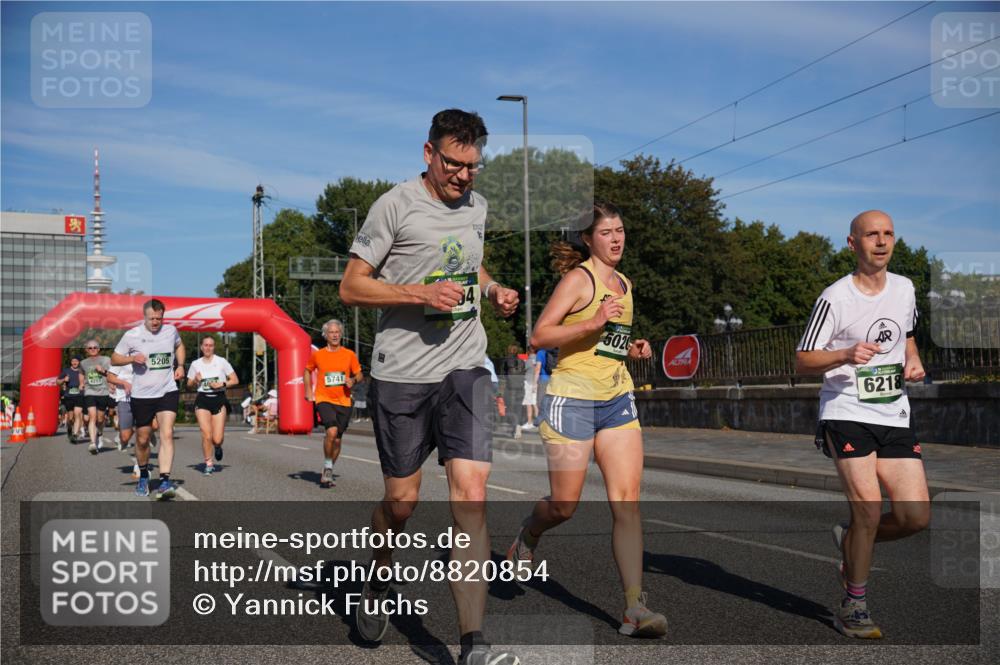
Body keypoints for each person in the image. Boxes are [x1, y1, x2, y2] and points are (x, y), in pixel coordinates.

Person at [339, 109, 520, 665]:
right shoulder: (394, 206)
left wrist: (490, 291)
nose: (464, 176)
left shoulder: (478, 207)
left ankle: (473, 643)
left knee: (470, 492)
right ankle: (375, 577)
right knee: (401, 503)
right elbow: (352, 287)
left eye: (473, 166)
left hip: (464, 365)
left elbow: (471, 264)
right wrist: (419, 294)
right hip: (402, 372)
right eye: (453, 163)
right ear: (427, 153)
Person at [506, 201, 667, 638]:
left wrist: (631, 347)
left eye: (620, 231)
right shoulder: (579, 280)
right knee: (565, 504)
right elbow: (540, 335)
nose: (616, 239)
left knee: (627, 502)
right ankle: (529, 534)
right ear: (587, 239)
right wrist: (594, 318)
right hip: (571, 400)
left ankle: (634, 606)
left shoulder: (626, 283)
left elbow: (609, 341)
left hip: (616, 398)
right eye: (606, 232)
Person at [795, 210, 928, 639]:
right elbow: (802, 360)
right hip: (846, 410)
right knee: (869, 510)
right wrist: (844, 354)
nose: (882, 241)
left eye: (888, 233)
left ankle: (852, 545)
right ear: (853, 244)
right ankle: (853, 605)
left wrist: (913, 359)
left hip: (893, 412)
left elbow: (907, 332)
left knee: (914, 516)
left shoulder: (905, 288)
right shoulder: (836, 298)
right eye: (871, 234)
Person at [111, 298, 185, 499]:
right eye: (151, 318)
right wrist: (131, 358)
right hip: (142, 394)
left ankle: (164, 481)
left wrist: (180, 365)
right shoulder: (131, 335)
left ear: (163, 316)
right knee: (142, 439)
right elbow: (114, 358)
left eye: (158, 318)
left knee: (166, 434)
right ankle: (144, 475)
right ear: (144, 316)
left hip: (167, 390)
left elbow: (179, 346)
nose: (155, 322)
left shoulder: (170, 331)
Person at [304, 319, 363, 488]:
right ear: (325, 335)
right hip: (324, 398)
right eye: (331, 332)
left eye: (337, 332)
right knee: (331, 431)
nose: (335, 335)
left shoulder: (349, 354)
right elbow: (307, 371)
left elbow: (359, 374)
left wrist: (352, 380)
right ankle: (328, 467)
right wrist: (308, 391)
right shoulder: (318, 354)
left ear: (341, 334)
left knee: (337, 439)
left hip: (344, 400)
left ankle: (328, 467)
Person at [187, 336, 238, 475]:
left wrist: (222, 384)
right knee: (206, 434)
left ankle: (218, 446)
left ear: (214, 347)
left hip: (219, 399)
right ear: (201, 347)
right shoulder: (195, 364)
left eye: (211, 345)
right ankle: (208, 463)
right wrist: (195, 381)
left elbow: (235, 379)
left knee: (217, 438)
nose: (208, 348)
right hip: (202, 399)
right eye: (206, 345)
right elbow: (189, 385)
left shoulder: (221, 362)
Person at [106, 363, 140, 478]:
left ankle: (139, 466)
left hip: (143, 398)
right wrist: (120, 383)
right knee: (125, 436)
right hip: (124, 399)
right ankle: (123, 439)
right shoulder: (120, 356)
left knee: (142, 434)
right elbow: (110, 376)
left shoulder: (145, 353)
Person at [80, 340, 113, 454]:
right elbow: (81, 373)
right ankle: (93, 443)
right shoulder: (84, 363)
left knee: (100, 418)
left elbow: (113, 374)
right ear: (86, 350)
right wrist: (81, 383)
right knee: (92, 416)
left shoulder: (106, 360)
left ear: (99, 349)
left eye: (95, 347)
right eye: (90, 348)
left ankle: (100, 432)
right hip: (90, 392)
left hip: (103, 392)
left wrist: (103, 371)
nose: (92, 349)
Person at [58, 356, 85, 443]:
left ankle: (75, 434)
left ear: (79, 362)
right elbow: (57, 381)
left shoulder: (82, 371)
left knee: (78, 414)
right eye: (73, 361)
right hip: (69, 396)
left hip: (80, 395)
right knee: (71, 417)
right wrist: (64, 380)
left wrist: (84, 385)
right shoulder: (66, 371)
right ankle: (69, 429)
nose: (74, 362)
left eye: (76, 361)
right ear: (71, 362)